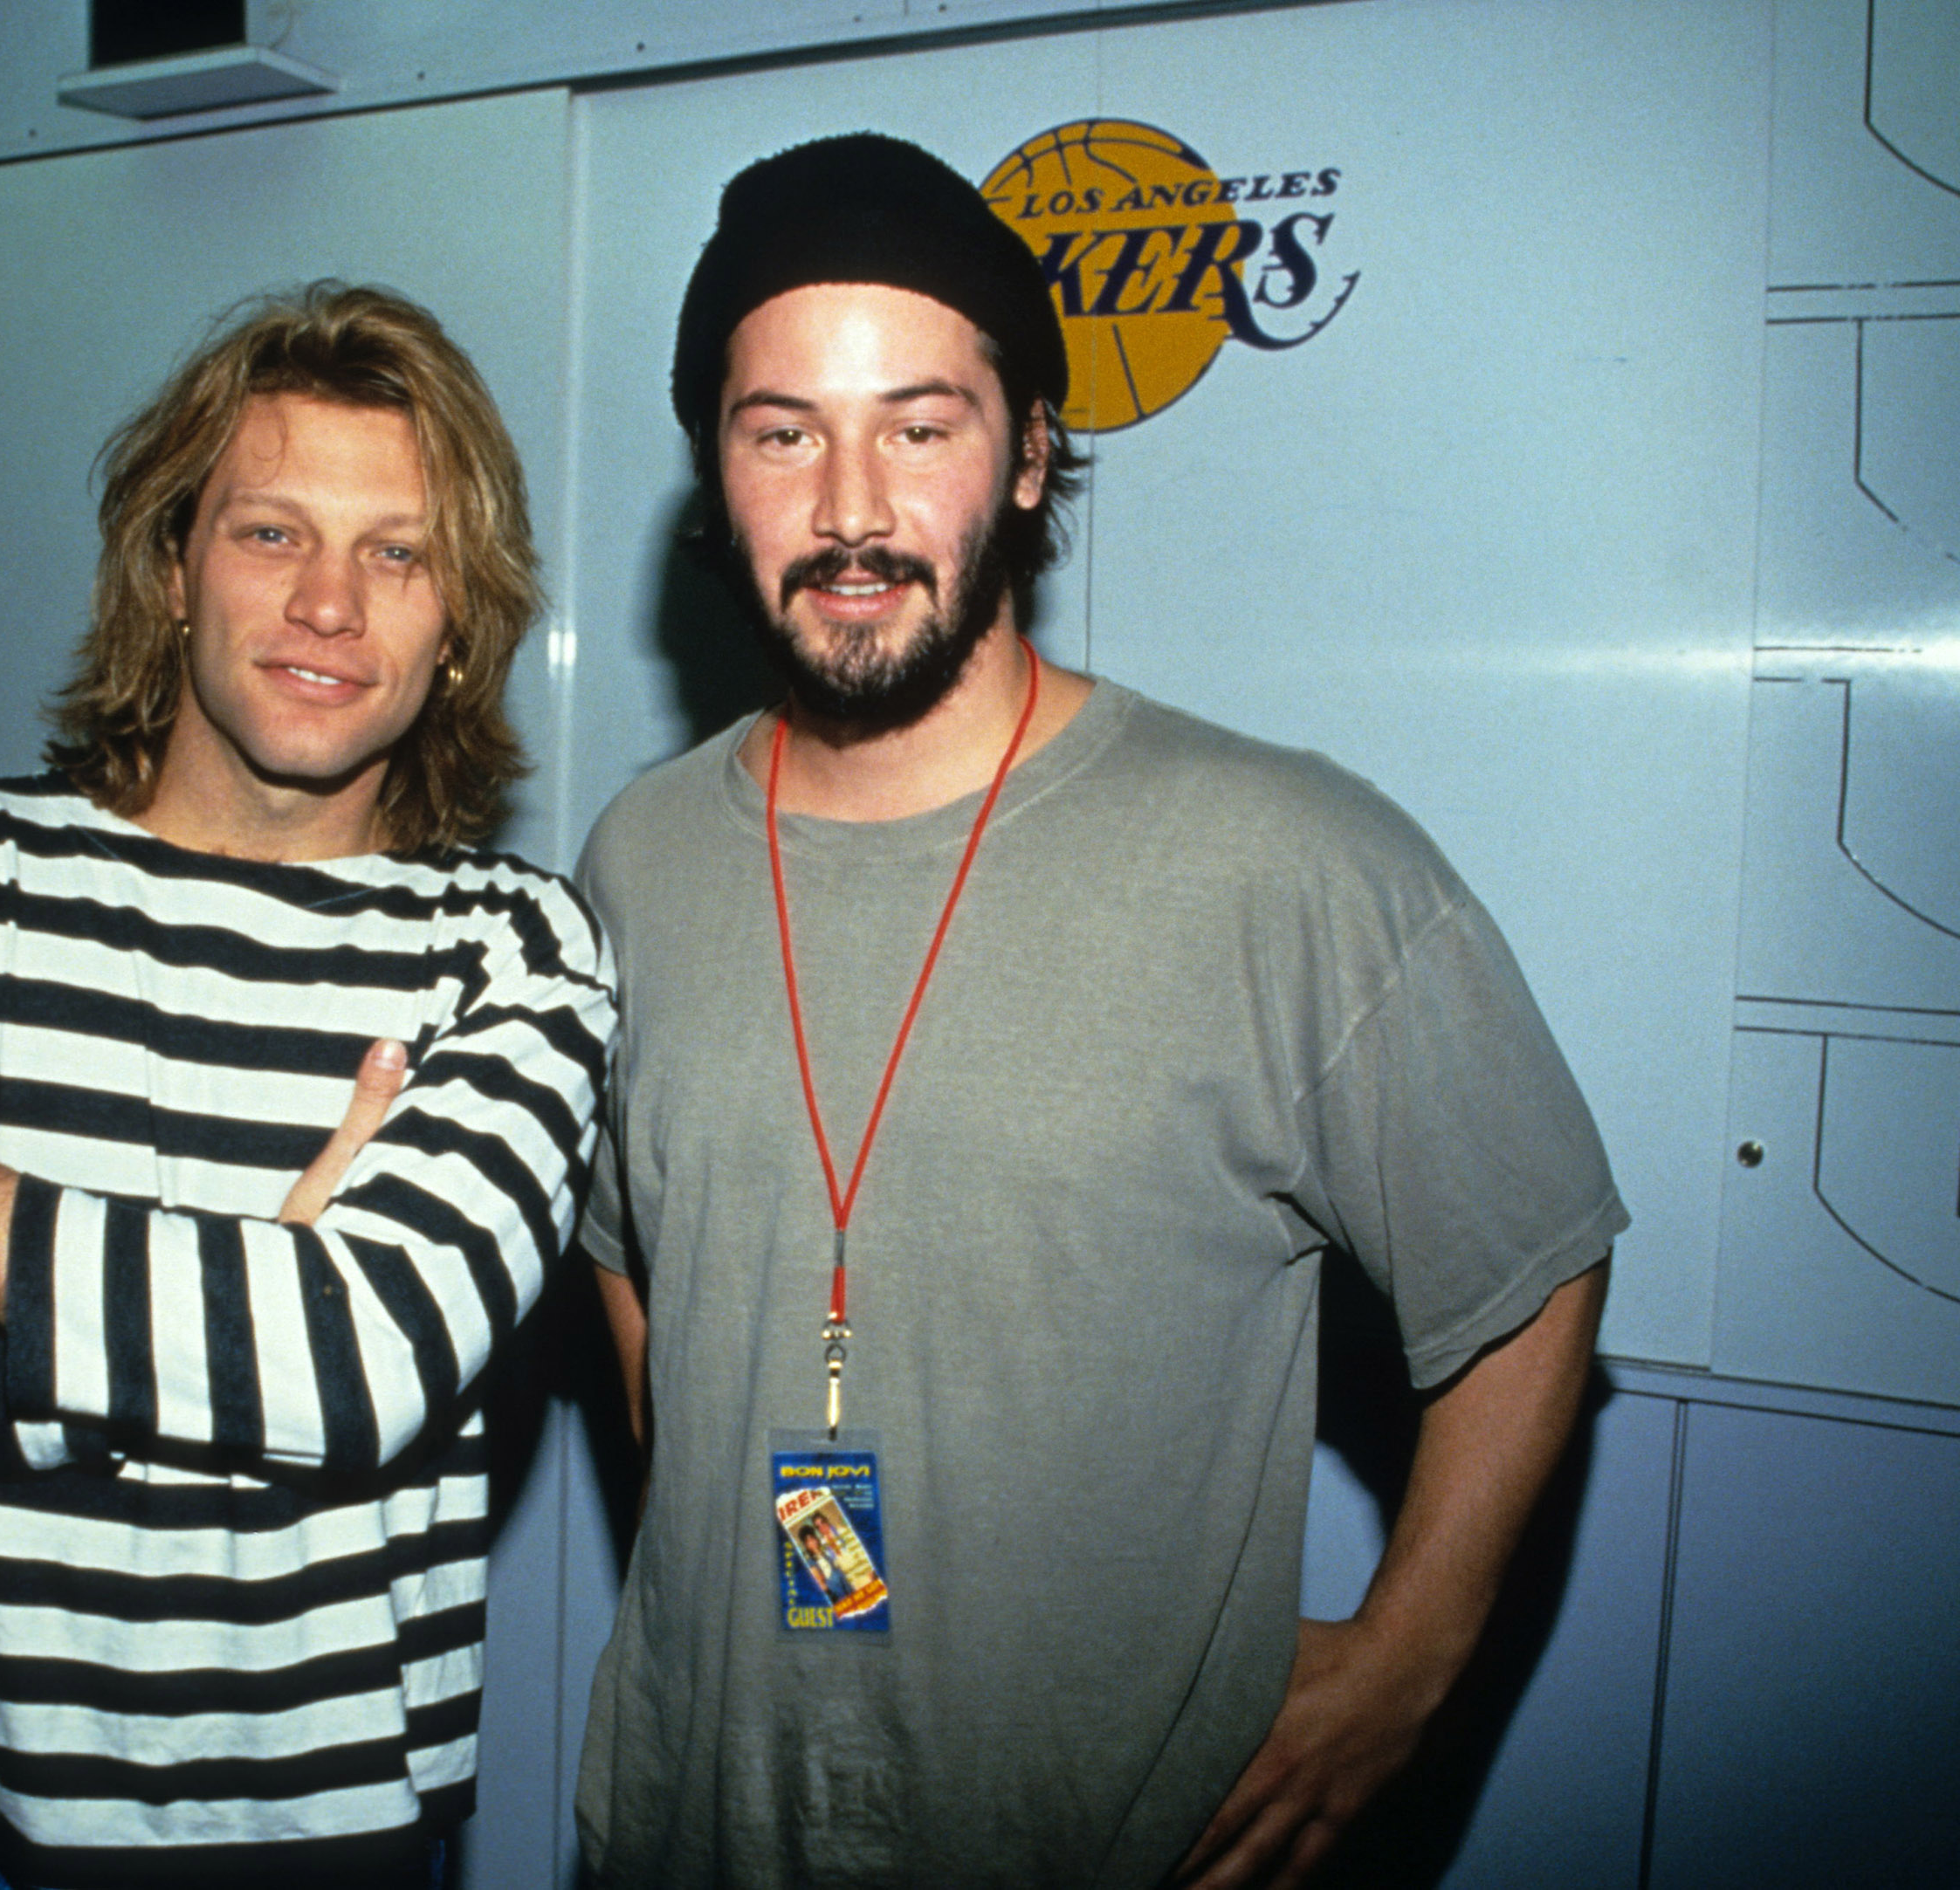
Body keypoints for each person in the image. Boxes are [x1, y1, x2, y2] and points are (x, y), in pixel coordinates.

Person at [571, 134, 1625, 1890]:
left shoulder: (1286, 859)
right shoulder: (638, 853)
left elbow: (1534, 1265)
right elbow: (623, 1232)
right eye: (782, 433)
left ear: (1037, 455)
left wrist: (1409, 1659)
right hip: (694, 1824)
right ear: (716, 476)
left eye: (921, 426)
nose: (849, 507)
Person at [0, 283, 614, 1890]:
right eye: (272, 533)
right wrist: (247, 1294)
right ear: (172, 561)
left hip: (322, 1844)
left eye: (398, 553)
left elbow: (369, 1359)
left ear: (460, 619)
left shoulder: (519, 948)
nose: (331, 603)